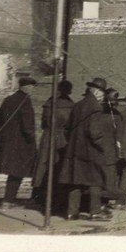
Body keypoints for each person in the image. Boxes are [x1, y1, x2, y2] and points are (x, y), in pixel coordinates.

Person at [57, 78, 118, 221]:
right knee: (95, 181)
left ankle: (72, 213)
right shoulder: (96, 108)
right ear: (96, 92)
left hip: (74, 151)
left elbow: (67, 128)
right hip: (91, 151)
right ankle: (95, 212)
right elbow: (94, 132)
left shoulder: (77, 106)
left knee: (75, 181)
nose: (102, 96)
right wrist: (102, 145)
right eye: (102, 93)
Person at [0, 76, 38, 209]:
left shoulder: (8, 99)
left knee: (14, 172)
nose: (33, 90)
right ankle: (8, 201)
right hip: (21, 144)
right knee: (18, 172)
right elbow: (27, 125)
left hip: (6, 144)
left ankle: (8, 200)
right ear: (27, 87)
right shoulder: (25, 100)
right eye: (32, 87)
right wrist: (31, 140)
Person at [31, 80, 75, 210]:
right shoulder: (70, 105)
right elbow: (71, 125)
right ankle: (58, 200)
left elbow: (43, 123)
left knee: (44, 165)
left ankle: (40, 197)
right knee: (60, 167)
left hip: (48, 137)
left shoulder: (49, 103)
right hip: (62, 138)